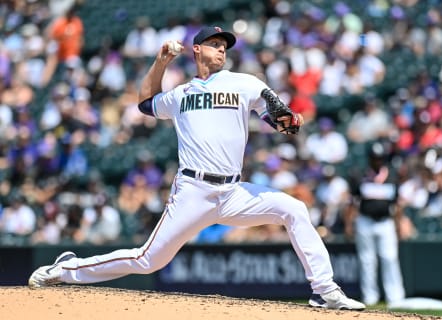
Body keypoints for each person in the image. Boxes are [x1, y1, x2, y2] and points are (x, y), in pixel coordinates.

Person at [28, 26, 365, 311]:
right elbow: (146, 103)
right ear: (197, 50)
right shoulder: (180, 94)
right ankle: (66, 269)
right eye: (215, 45)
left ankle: (325, 291)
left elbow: (276, 113)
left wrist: (288, 122)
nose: (221, 51)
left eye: (224, 47)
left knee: (294, 208)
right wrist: (161, 61)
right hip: (193, 191)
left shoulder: (243, 82)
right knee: (148, 261)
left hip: (234, 192)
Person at [345, 141, 406, 307]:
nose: (377, 161)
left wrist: (399, 224)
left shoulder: (392, 176)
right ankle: (370, 296)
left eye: (380, 158)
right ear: (369, 159)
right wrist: (349, 223)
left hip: (386, 222)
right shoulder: (360, 175)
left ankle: (395, 296)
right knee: (367, 260)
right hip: (365, 220)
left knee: (390, 258)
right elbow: (352, 201)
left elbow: (397, 204)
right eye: (374, 158)